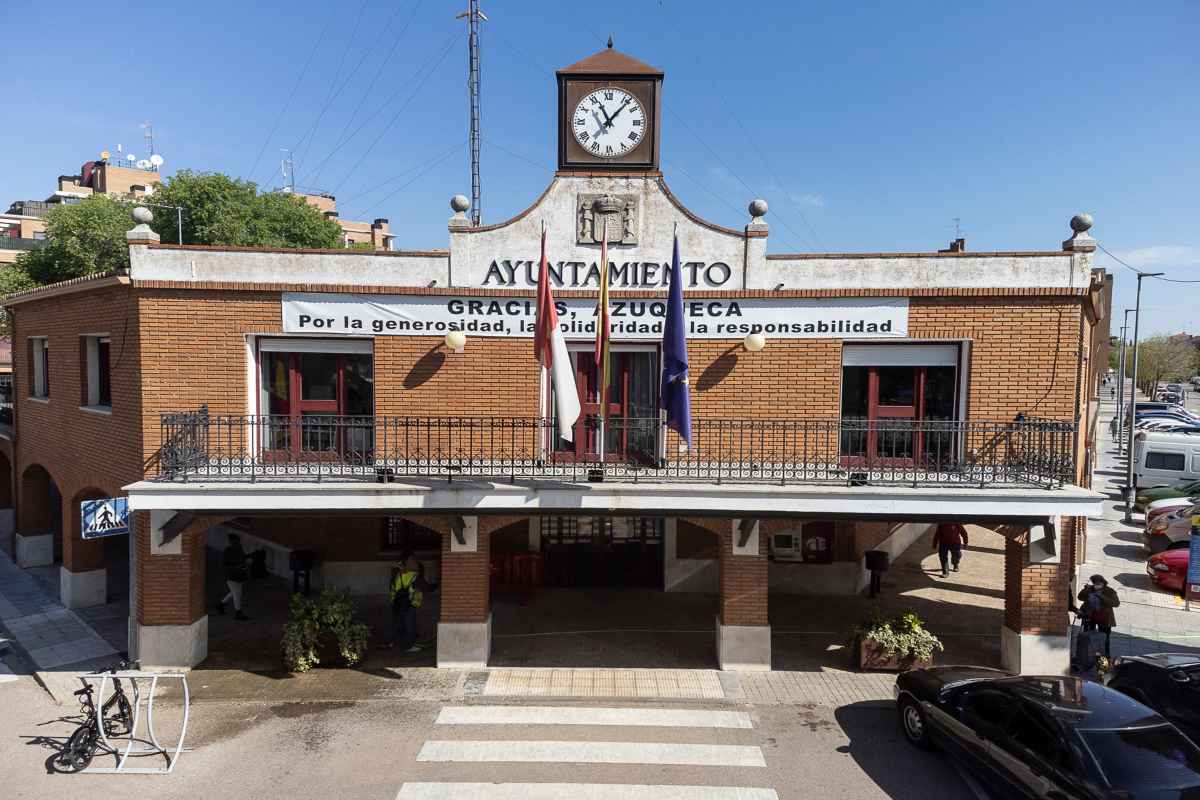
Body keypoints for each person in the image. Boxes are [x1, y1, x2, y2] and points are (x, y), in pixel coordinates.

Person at [384, 551, 438, 653]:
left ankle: (396, 643)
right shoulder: (414, 576)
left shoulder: (397, 574)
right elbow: (427, 588)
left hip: (396, 603)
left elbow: (392, 587)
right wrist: (439, 584)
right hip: (409, 604)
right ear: (407, 562)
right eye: (413, 560)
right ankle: (408, 646)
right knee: (409, 626)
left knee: (399, 625)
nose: (416, 562)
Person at [1078, 574, 1120, 658]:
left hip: (1104, 618)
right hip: (1090, 617)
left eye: (1098, 584)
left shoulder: (1109, 591)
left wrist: (1102, 597)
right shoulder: (1090, 589)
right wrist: (1085, 590)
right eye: (1094, 584)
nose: (1096, 586)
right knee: (1089, 636)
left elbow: (1116, 603)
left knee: (1105, 638)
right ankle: (1089, 654)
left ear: (1103, 583)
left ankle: (1105, 656)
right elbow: (1080, 597)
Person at [215, 533, 250, 621]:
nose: (237, 543)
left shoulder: (239, 548)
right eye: (235, 541)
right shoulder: (228, 551)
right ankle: (238, 613)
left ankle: (221, 605)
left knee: (234, 593)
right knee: (237, 594)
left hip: (240, 575)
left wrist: (245, 562)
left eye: (237, 541)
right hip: (231, 576)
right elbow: (225, 565)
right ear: (231, 542)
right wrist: (236, 567)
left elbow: (243, 558)